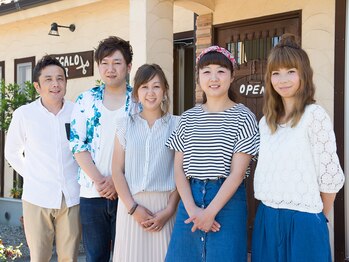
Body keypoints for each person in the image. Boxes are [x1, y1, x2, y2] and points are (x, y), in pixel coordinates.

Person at [252, 34, 345, 262]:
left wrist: (316, 217)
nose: (283, 79)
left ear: (304, 74)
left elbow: (330, 175)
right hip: (267, 217)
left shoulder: (315, 116)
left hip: (305, 219)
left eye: (290, 71)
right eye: (276, 73)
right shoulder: (265, 123)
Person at [165, 46, 260, 262]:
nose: (214, 78)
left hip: (227, 200)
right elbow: (178, 169)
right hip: (190, 197)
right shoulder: (187, 118)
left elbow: (237, 174)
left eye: (221, 71)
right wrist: (192, 210)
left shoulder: (244, 117)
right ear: (198, 77)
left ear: (232, 76)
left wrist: (209, 213)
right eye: (206, 71)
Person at [5, 55, 81, 262]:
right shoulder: (25, 114)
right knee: (39, 257)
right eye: (48, 79)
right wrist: (33, 175)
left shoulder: (77, 112)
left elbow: (86, 151)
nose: (55, 84)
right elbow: (12, 151)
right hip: (37, 197)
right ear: (38, 86)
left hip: (71, 195)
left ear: (65, 82)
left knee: (70, 257)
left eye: (60, 78)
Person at [69, 36, 133, 262]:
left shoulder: (138, 101)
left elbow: (142, 148)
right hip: (92, 193)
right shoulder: (85, 100)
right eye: (104, 63)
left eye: (117, 62)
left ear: (128, 66)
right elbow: (78, 144)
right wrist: (100, 181)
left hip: (129, 192)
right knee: (95, 257)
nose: (110, 69)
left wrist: (117, 181)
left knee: (126, 256)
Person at [112, 64, 180, 262]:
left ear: (165, 91)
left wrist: (169, 211)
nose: (151, 93)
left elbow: (182, 173)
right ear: (136, 93)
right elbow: (116, 170)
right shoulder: (124, 125)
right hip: (131, 206)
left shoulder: (177, 125)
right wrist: (133, 208)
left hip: (165, 208)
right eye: (144, 87)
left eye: (156, 86)